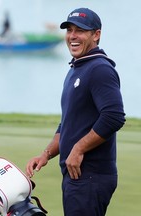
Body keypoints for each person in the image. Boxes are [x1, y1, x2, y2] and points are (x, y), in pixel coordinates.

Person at [25, 8, 125, 216]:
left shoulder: (99, 69)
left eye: (80, 30)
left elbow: (114, 117)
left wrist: (78, 149)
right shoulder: (77, 68)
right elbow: (70, 122)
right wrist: (46, 154)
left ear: (96, 35)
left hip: (91, 176)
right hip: (77, 175)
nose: (72, 36)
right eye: (70, 30)